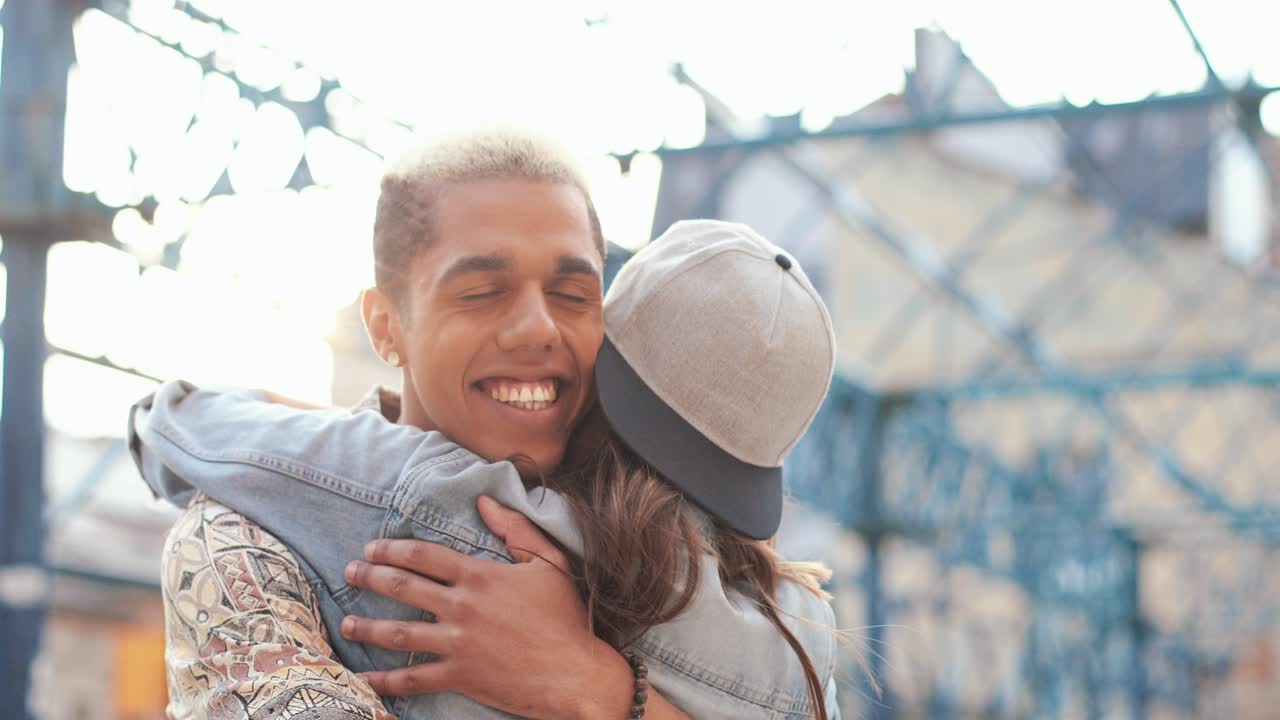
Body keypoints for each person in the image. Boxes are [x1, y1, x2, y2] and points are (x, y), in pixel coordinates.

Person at [130, 132, 844, 719]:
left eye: (572, 294)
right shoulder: (236, 542)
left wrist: (598, 688)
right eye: (482, 292)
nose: (536, 328)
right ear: (385, 325)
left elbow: (214, 434)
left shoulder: (423, 513)